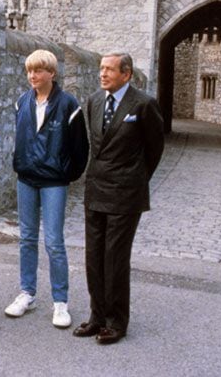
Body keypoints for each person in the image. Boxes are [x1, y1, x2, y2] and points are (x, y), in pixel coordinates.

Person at [72, 52, 164, 345]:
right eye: (101, 69)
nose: (103, 74)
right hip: (96, 190)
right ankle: (97, 316)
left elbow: (154, 150)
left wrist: (134, 179)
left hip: (125, 194)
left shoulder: (144, 105)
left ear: (126, 74)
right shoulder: (94, 102)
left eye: (109, 70)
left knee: (115, 259)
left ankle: (116, 321)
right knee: (94, 257)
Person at [4, 49, 89, 328]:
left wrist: (67, 173)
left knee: (53, 241)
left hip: (54, 181)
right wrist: (21, 164)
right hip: (26, 178)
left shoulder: (68, 104)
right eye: (29, 71)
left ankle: (60, 302)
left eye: (38, 71)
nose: (32, 76)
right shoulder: (21, 102)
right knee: (27, 238)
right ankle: (27, 293)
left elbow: (80, 147)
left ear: (51, 73)